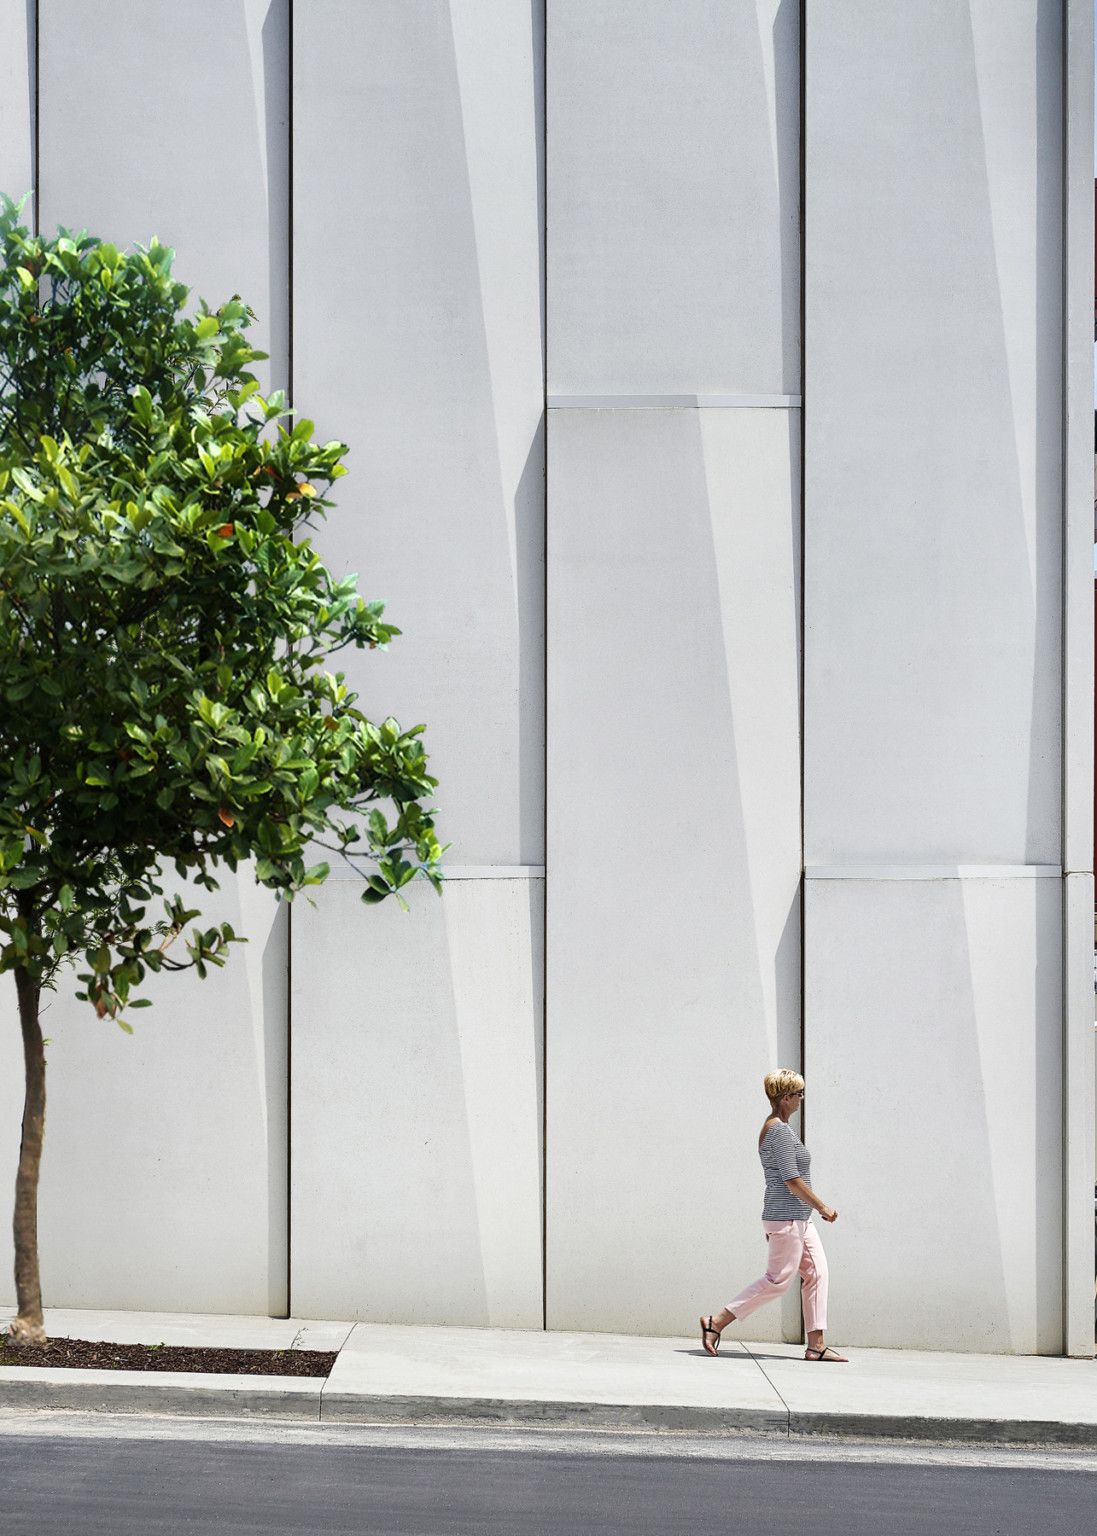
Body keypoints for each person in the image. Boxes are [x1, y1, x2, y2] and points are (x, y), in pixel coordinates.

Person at [699, 1069, 846, 1362]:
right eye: (799, 1094)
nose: (802, 1099)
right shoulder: (777, 1130)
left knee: (817, 1274)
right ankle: (716, 1322)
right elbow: (791, 1179)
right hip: (785, 1218)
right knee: (778, 1280)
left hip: (799, 1219)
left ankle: (816, 1346)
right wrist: (822, 1206)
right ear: (786, 1097)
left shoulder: (783, 1128)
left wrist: (811, 1212)